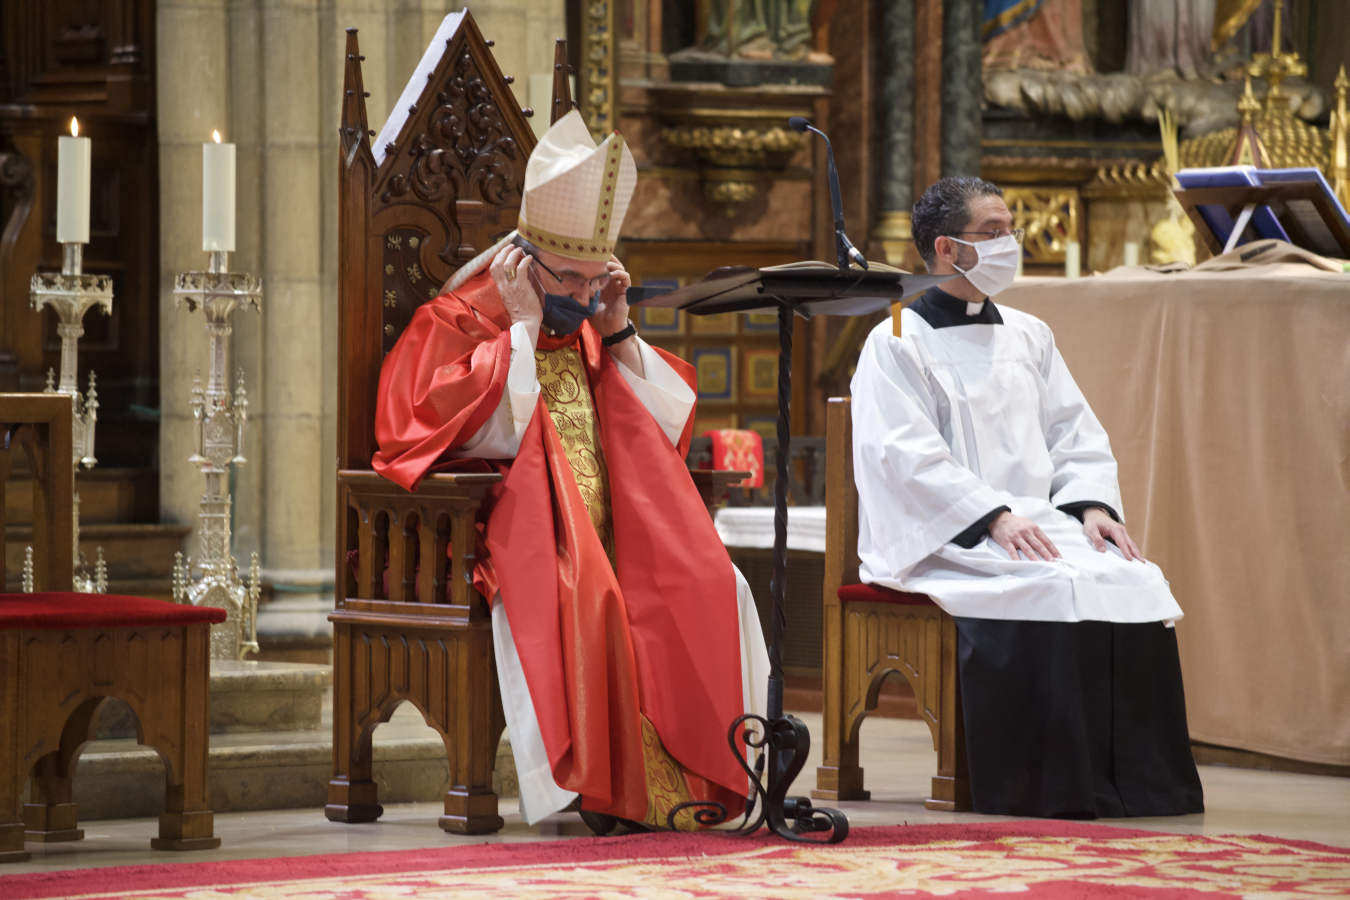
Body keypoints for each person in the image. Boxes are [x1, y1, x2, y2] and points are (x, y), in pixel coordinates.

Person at [371, 110, 768, 832]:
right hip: (508, 532)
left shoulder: (584, 322)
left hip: (615, 518)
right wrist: (519, 331)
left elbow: (657, 431)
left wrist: (617, 327)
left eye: (598, 281)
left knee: (716, 578)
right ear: (522, 262)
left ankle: (712, 771)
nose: (584, 298)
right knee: (596, 595)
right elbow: (445, 436)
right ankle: (603, 786)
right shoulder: (456, 321)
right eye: (575, 282)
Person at [849, 175, 1204, 819]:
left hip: (1036, 521)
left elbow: (1074, 432)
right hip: (949, 533)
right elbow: (901, 453)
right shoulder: (896, 339)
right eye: (994, 233)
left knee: (1134, 579)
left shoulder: (1029, 334)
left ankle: (1143, 790)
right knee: (1049, 584)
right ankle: (1045, 788)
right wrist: (989, 516)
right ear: (946, 249)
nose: (1011, 243)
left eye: (1010, 230)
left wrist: (1093, 507)